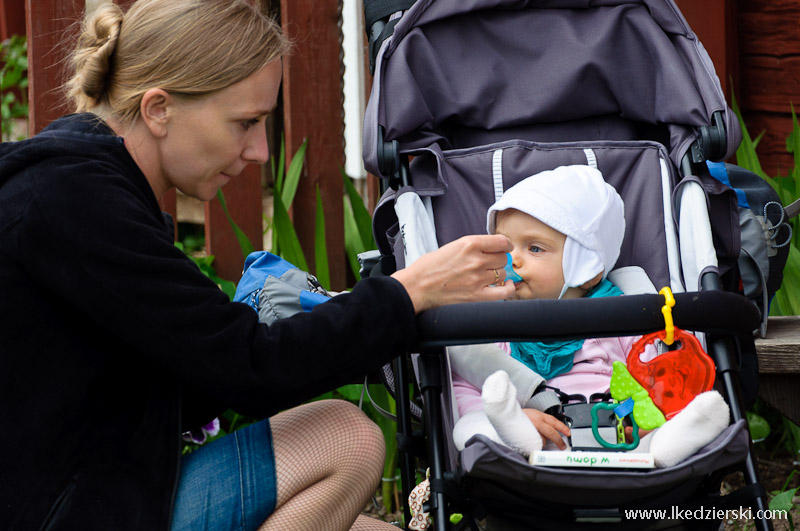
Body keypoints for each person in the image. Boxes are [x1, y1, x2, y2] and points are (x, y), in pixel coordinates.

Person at [0, 1, 517, 530]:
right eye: (245, 123)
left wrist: (284, 324)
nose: (259, 152)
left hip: (97, 491)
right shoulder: (75, 201)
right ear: (158, 109)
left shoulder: (81, 189)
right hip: (65, 514)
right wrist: (410, 291)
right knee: (346, 436)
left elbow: (197, 377)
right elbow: (249, 370)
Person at [450, 165, 730, 468]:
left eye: (534, 248)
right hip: (534, 442)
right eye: (505, 247)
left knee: (659, 426)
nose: (513, 259)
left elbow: (653, 364)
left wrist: (654, 397)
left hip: (621, 432)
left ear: (587, 269)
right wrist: (515, 415)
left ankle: (668, 446)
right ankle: (512, 427)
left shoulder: (624, 311)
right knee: (469, 427)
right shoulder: (494, 322)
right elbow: (466, 386)